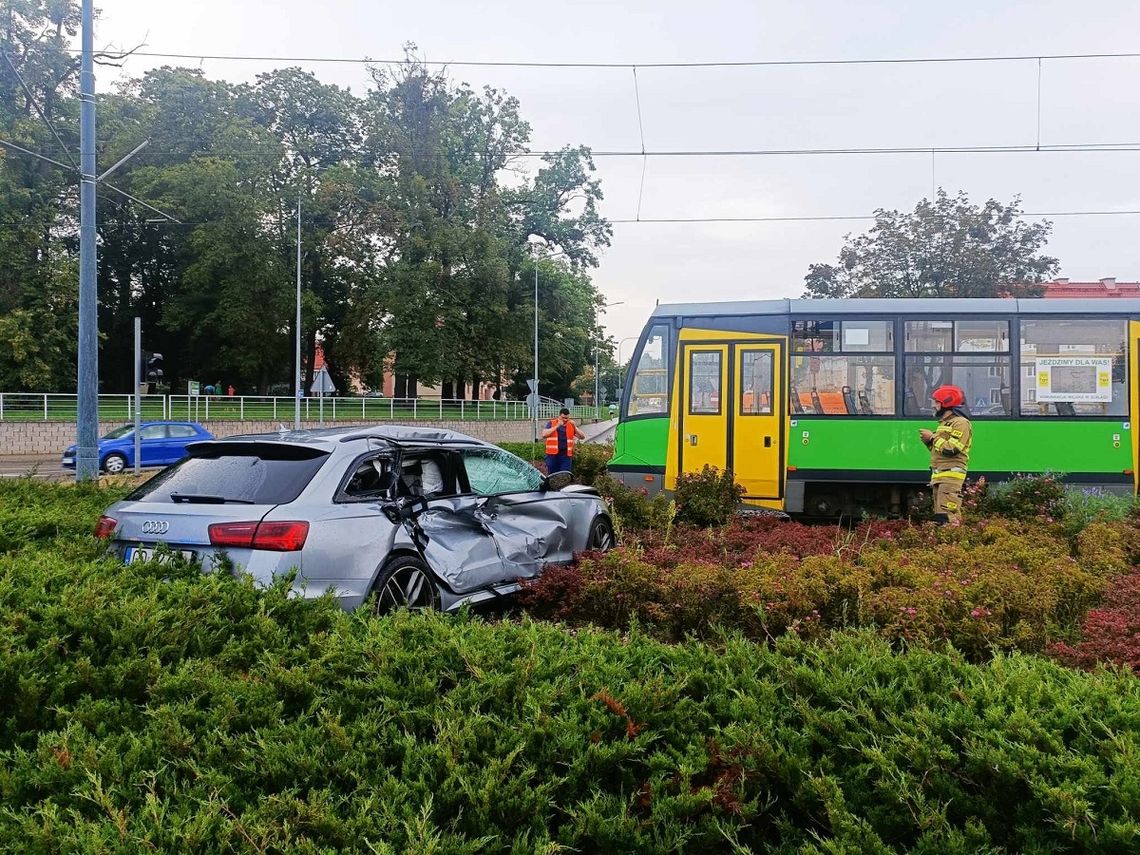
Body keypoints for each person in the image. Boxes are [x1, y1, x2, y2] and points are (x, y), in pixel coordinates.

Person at [919, 384, 972, 525]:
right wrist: (928, 442)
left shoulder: (960, 423)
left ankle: (953, 544)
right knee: (940, 518)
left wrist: (932, 437)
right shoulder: (946, 423)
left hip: (950, 477)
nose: (934, 406)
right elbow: (940, 451)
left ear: (947, 403)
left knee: (948, 518)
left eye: (937, 402)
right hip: (941, 477)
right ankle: (944, 544)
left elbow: (951, 449)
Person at [542, 407, 577, 474]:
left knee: (565, 474)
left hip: (565, 455)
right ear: (559, 416)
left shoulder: (570, 424)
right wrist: (557, 426)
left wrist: (574, 426)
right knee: (552, 474)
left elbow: (582, 436)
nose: (565, 420)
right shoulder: (552, 423)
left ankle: (564, 485)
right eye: (563, 418)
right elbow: (544, 434)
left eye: (567, 418)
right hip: (552, 455)